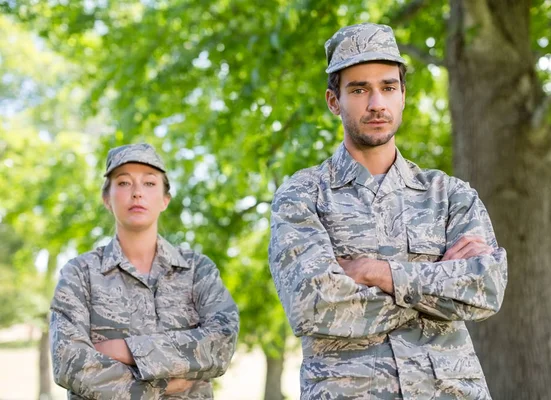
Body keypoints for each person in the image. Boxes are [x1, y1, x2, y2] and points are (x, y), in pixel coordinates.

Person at [268, 23, 508, 399]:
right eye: (359, 89)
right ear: (334, 101)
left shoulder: (449, 194)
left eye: (388, 87)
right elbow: (314, 306)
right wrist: (438, 285)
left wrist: (376, 273)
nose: (376, 103)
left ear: (403, 95)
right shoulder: (302, 195)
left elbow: (487, 289)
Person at [50, 143, 239, 399]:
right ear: (107, 198)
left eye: (149, 183)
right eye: (124, 183)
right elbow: (68, 364)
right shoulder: (80, 274)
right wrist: (160, 388)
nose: (137, 192)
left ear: (164, 200)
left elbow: (222, 343)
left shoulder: (198, 270)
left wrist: (128, 349)